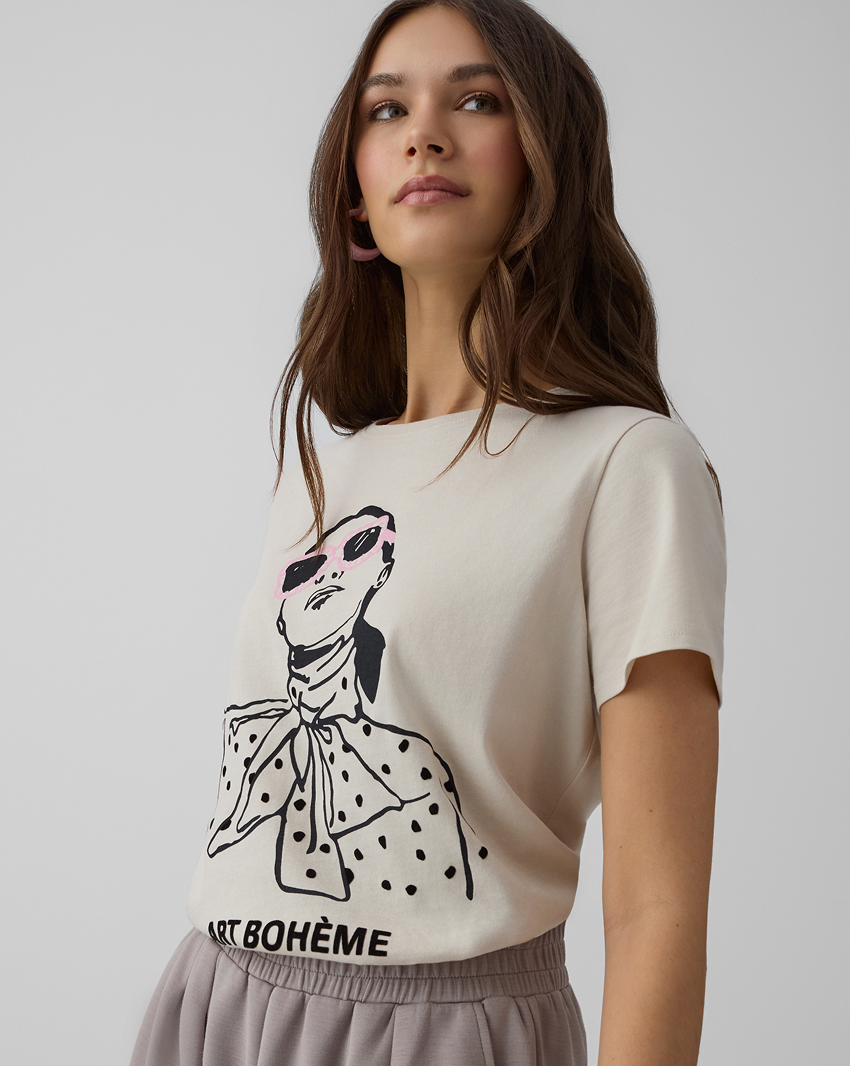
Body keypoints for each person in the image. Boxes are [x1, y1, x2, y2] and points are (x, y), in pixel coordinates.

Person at [129, 1, 726, 1064]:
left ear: (547, 159)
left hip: (449, 1030)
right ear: (353, 192)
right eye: (386, 109)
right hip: (219, 1006)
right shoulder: (324, 469)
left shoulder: (629, 464)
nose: (424, 134)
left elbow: (656, 910)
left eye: (477, 100)